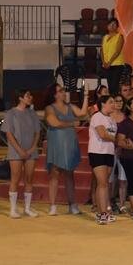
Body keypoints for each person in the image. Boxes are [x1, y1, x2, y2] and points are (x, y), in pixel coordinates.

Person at [44, 83, 89, 216]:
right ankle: (52, 205)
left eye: (63, 90)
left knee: (70, 174)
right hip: (56, 143)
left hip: (69, 143)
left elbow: (82, 113)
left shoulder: (70, 106)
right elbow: (54, 123)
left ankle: (72, 204)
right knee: (55, 173)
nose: (63, 93)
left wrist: (86, 96)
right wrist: (72, 123)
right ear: (54, 94)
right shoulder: (49, 108)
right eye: (60, 91)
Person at [4, 89, 42, 217]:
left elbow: (37, 132)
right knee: (15, 178)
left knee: (29, 178)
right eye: (27, 95)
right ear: (20, 98)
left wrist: (32, 148)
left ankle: (27, 208)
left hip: (31, 150)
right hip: (15, 150)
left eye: (30, 95)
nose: (30, 97)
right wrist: (19, 150)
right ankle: (13, 209)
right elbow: (9, 133)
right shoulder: (11, 113)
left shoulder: (32, 113)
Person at [88, 95, 118, 225]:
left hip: (109, 153)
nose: (113, 104)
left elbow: (110, 135)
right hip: (97, 152)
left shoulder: (112, 120)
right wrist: (117, 140)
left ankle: (106, 210)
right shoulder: (97, 116)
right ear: (103, 104)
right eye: (111, 102)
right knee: (102, 183)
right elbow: (102, 134)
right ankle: (101, 213)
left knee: (106, 183)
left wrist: (114, 139)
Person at [110, 95, 129, 214]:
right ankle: (108, 202)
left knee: (123, 179)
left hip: (123, 151)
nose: (119, 103)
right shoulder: (108, 117)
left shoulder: (126, 118)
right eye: (116, 101)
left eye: (121, 101)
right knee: (110, 179)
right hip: (109, 150)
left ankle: (122, 205)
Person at [101, 17, 125, 95]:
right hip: (106, 65)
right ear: (107, 26)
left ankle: (115, 103)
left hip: (117, 65)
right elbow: (102, 50)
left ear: (117, 26)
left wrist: (109, 62)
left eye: (115, 24)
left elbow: (117, 51)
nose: (112, 25)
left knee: (114, 86)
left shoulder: (119, 36)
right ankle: (112, 103)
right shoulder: (104, 37)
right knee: (110, 86)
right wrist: (104, 62)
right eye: (111, 24)